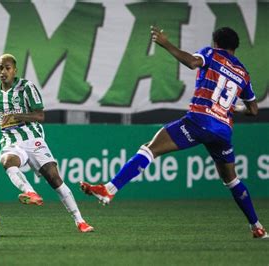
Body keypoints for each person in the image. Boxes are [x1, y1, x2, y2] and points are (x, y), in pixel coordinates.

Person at [80, 26, 267, 239]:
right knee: (232, 180)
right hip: (223, 131)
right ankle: (257, 227)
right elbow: (253, 110)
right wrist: (234, 108)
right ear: (235, 47)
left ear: (216, 43)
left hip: (200, 120)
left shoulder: (212, 54)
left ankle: (109, 190)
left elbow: (192, 62)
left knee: (150, 150)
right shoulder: (243, 73)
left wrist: (165, 43)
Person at [0, 54, 94, 233]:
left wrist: (17, 116)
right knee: (8, 161)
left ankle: (80, 221)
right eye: (0, 68)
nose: (3, 71)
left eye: (7, 68)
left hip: (33, 139)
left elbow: (40, 115)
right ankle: (30, 192)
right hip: (11, 141)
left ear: (15, 70)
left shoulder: (26, 87)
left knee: (54, 178)